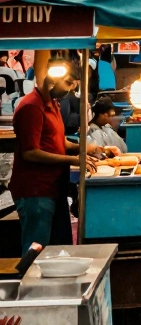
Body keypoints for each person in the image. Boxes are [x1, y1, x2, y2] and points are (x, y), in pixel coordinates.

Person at [11, 67, 113, 251]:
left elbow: (60, 142)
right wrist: (73, 160)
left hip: (55, 188)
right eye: (67, 83)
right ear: (52, 77)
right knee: (36, 252)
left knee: (59, 250)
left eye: (73, 86)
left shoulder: (53, 104)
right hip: (36, 192)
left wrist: (88, 148)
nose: (69, 90)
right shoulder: (31, 107)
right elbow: (30, 152)